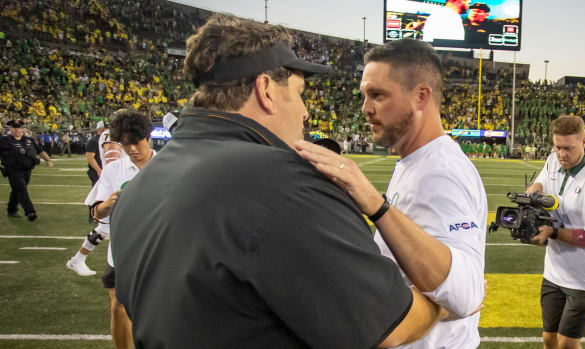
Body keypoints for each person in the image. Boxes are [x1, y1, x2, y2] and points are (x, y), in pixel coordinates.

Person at [112, 14, 447, 349]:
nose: (304, 111)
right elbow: (387, 324)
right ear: (266, 89)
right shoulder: (285, 184)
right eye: (299, 93)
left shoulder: (138, 190)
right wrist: (441, 305)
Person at [295, 38, 487, 349]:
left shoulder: (440, 172)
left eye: (378, 95)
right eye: (364, 95)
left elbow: (466, 293)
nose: (365, 108)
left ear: (421, 97)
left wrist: (375, 204)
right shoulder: (413, 160)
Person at [526, 115, 585, 349]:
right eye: (557, 147)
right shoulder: (553, 159)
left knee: (566, 344)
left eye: (569, 148)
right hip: (554, 271)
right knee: (549, 339)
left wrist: (553, 233)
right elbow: (542, 181)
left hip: (584, 277)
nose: (562, 154)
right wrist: (532, 191)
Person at [91, 109, 155, 349]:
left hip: (158, 249)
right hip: (122, 251)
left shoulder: (168, 165)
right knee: (118, 305)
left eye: (136, 142)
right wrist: (108, 204)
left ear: (148, 138)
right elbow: (96, 212)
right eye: (125, 144)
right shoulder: (113, 170)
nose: (131, 149)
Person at [66, 122, 126, 276]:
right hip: (115, 185)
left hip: (117, 183)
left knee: (105, 229)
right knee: (107, 229)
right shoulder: (111, 134)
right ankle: (79, 260)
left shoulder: (119, 133)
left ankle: (77, 260)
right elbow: (113, 158)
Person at [0, 120, 53, 221]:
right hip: (13, 170)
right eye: (14, 127)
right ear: (10, 129)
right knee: (22, 189)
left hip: (27, 171)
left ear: (22, 129)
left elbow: (40, 151)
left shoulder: (29, 140)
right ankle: (30, 212)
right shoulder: (3, 141)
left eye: (18, 127)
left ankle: (11, 209)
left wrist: (48, 159)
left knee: (17, 190)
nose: (16, 129)